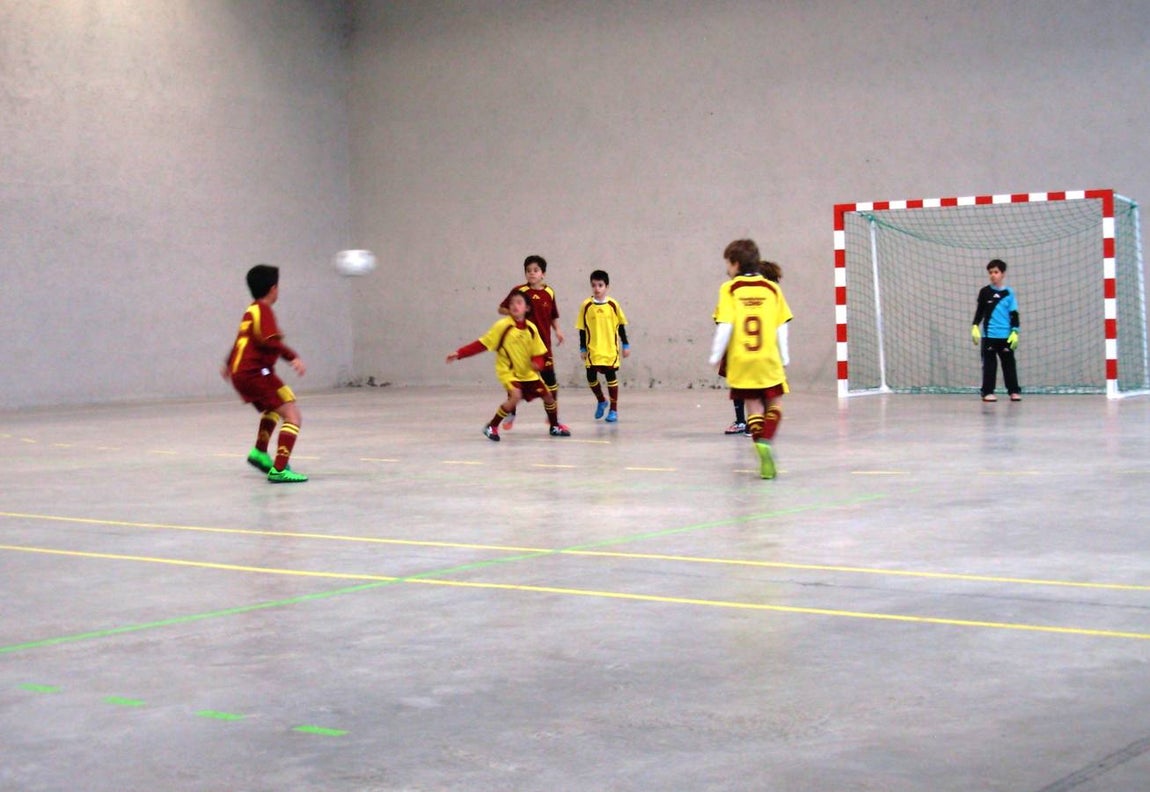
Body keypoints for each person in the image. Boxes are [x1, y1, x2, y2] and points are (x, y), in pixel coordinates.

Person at [709, 240, 793, 479]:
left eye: (728, 264)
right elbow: (781, 328)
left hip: (741, 361)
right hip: (767, 358)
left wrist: (716, 355)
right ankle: (766, 441)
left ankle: (759, 445)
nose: (727, 269)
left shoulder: (729, 289)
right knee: (775, 405)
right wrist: (784, 356)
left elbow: (724, 326)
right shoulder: (772, 289)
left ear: (736, 264)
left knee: (753, 407)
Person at [222, 264, 309, 483]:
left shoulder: (251, 310)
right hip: (254, 373)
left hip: (246, 372)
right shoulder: (263, 310)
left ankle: (260, 453)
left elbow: (242, 341)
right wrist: (293, 357)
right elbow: (270, 340)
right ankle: (279, 469)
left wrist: (228, 363)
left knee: (282, 400)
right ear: (273, 289)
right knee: (292, 415)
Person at [447, 291, 571, 441]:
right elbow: (482, 344)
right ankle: (492, 426)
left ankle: (554, 426)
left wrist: (537, 364)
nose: (514, 305)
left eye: (519, 302)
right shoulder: (502, 326)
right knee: (515, 396)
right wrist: (460, 353)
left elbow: (539, 353)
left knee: (549, 397)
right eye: (511, 303)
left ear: (527, 308)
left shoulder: (531, 328)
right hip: (509, 372)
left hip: (528, 374)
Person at [497, 255, 564, 431]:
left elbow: (553, 315)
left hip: (544, 345)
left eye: (535, 270)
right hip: (522, 345)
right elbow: (501, 308)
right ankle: (511, 411)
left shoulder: (549, 292)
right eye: (528, 271)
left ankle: (552, 417)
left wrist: (557, 330)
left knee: (551, 382)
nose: (531, 274)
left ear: (543, 274)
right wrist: (517, 314)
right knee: (517, 380)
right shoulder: (519, 291)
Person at [721, 260, 788, 435]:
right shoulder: (770, 292)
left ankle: (745, 422)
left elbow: (723, 321)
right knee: (768, 393)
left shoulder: (737, 291)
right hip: (766, 351)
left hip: (741, 348)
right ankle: (760, 425)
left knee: (743, 388)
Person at [575, 269, 630, 422]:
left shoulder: (613, 305)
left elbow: (620, 326)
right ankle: (601, 400)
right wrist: (582, 347)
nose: (597, 288)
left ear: (607, 287)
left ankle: (613, 410)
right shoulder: (586, 305)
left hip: (609, 350)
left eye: (600, 285)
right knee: (591, 378)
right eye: (594, 285)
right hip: (593, 349)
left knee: (610, 377)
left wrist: (625, 344)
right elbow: (582, 328)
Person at [970, 258, 1021, 402]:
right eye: (990, 272)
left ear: (1003, 274)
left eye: (996, 272)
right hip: (989, 336)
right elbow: (980, 312)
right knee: (989, 365)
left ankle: (1013, 391)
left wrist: (1015, 331)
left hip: (1006, 336)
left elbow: (1014, 314)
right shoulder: (985, 292)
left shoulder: (1009, 293)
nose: (993, 275)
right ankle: (987, 392)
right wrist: (974, 325)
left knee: (1009, 364)